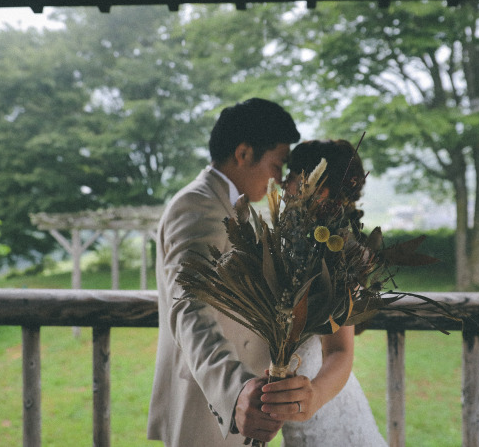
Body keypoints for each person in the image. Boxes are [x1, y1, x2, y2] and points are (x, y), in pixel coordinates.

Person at [148, 97, 312, 446]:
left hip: (247, 405)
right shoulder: (195, 206)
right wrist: (235, 390)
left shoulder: (239, 209)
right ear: (243, 153)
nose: (280, 178)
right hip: (207, 405)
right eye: (277, 163)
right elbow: (188, 307)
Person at [269, 139, 388, 447]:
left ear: (318, 186)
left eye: (294, 172)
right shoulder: (289, 242)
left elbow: (340, 351)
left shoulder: (338, 254)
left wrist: (315, 396)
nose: (283, 180)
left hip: (323, 410)